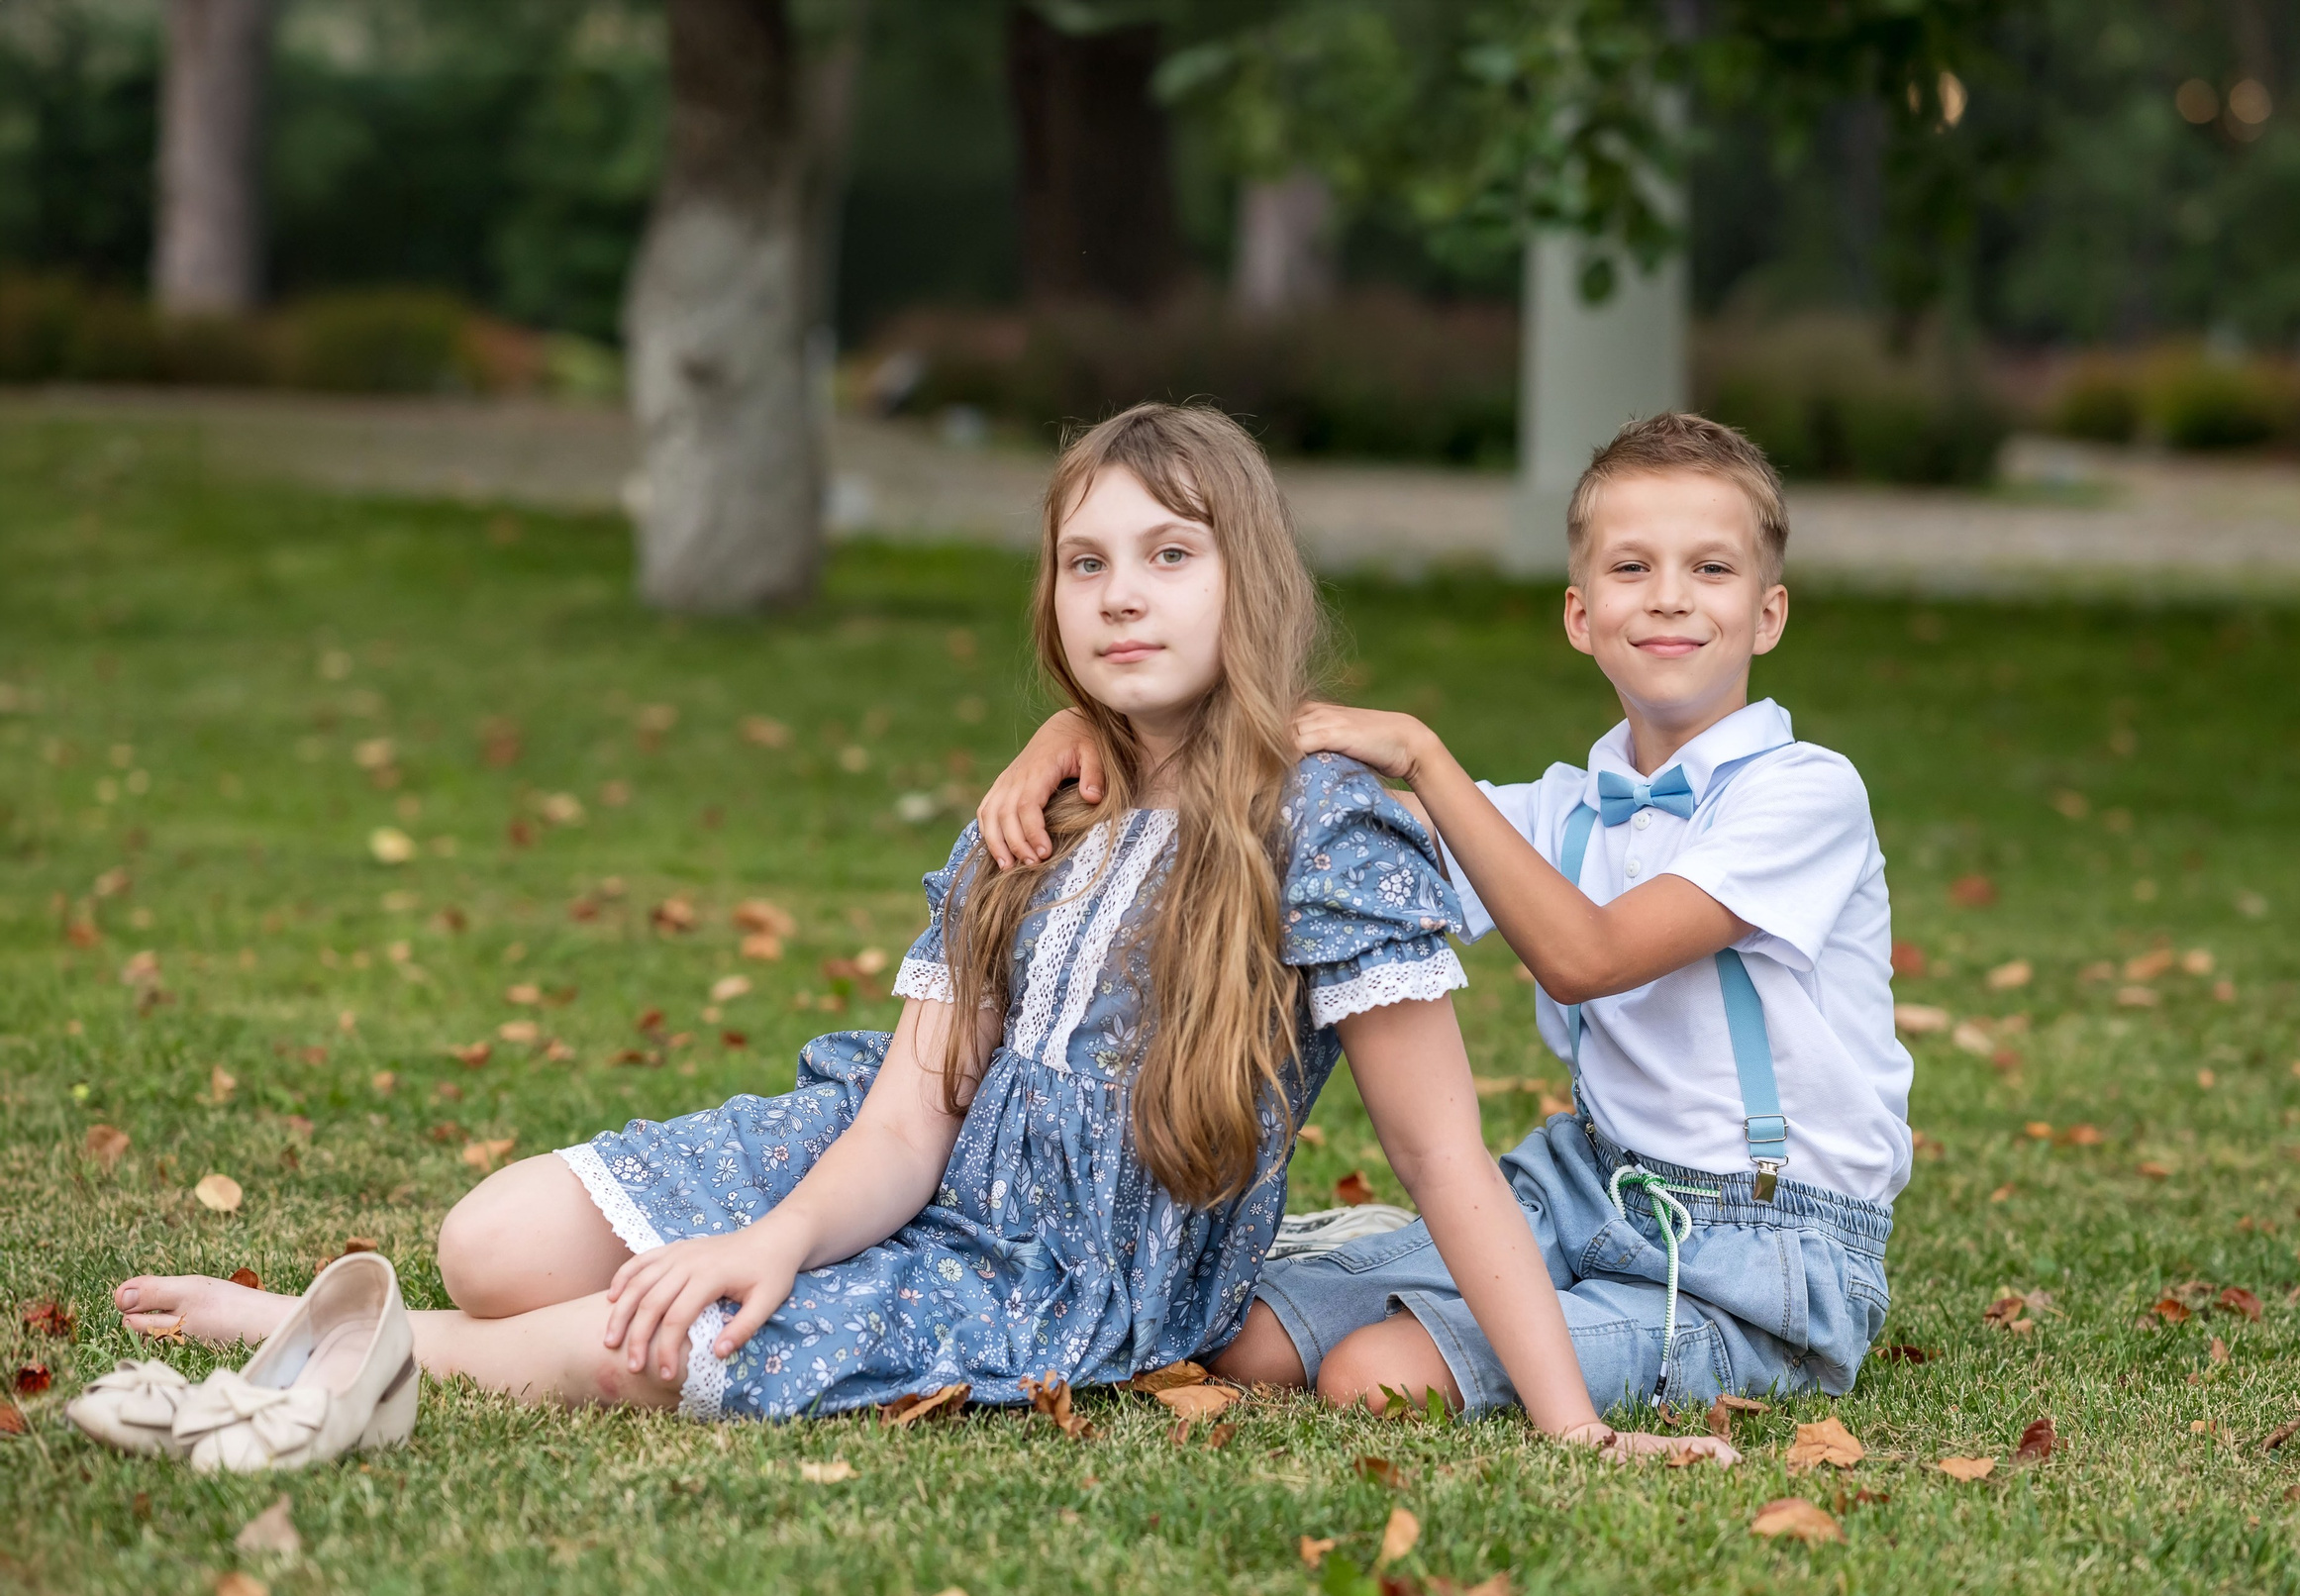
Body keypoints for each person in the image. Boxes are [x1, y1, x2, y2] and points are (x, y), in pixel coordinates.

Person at [110, 403, 1729, 1460]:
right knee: (502, 1233)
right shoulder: (1042, 804)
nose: (1122, 593)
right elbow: (905, 1109)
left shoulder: (1331, 832)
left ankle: (352, 1351)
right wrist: (782, 1231)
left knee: (655, 1347)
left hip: (1065, 1271)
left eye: (1172, 554)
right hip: (903, 1161)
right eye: (1085, 559)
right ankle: (485, 1307)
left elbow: (1448, 1162)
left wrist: (1578, 1427)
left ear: (1252, 582)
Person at [977, 412, 1907, 1417]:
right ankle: (1467, 1271)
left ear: (1768, 614)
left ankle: (1614, 1328)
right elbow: (1300, 820)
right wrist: (1077, 727)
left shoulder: (1806, 793)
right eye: (1630, 568)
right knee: (1236, 1336)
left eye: (1710, 569)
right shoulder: (1560, 809)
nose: (1669, 597)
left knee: (1371, 1375)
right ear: (1579, 614)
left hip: (1760, 1253)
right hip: (1584, 1185)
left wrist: (1421, 748)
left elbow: (1586, 955)